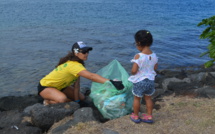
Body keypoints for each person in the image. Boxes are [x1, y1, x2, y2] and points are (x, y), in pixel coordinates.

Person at [38, 41, 124, 105]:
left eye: (87, 51)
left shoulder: (77, 64)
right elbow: (91, 76)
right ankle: (48, 101)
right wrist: (110, 81)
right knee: (62, 99)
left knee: (81, 97)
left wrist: (77, 101)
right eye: (84, 52)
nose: (86, 54)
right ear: (76, 53)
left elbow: (76, 85)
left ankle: (61, 97)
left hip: (61, 87)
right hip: (45, 86)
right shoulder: (73, 65)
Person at [128, 30, 158, 123]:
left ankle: (136, 116)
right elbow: (155, 68)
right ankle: (149, 116)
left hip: (140, 81)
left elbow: (134, 70)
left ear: (139, 43)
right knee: (148, 98)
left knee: (137, 98)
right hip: (150, 81)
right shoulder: (154, 55)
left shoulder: (138, 56)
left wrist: (132, 73)